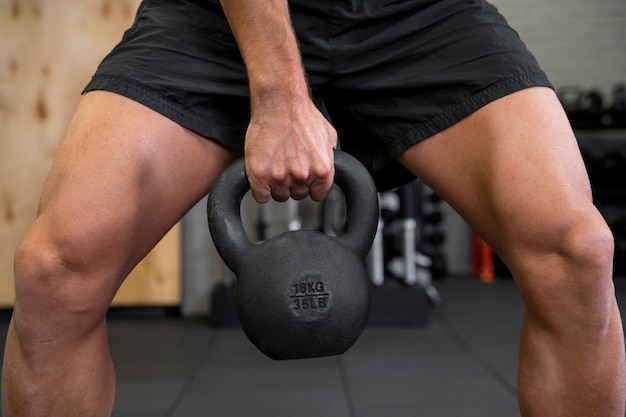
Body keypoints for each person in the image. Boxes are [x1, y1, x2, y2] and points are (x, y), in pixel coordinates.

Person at [2, 0, 625, 415]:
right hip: (213, 17)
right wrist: (276, 94)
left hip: (423, 14)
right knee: (56, 270)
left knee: (578, 254)